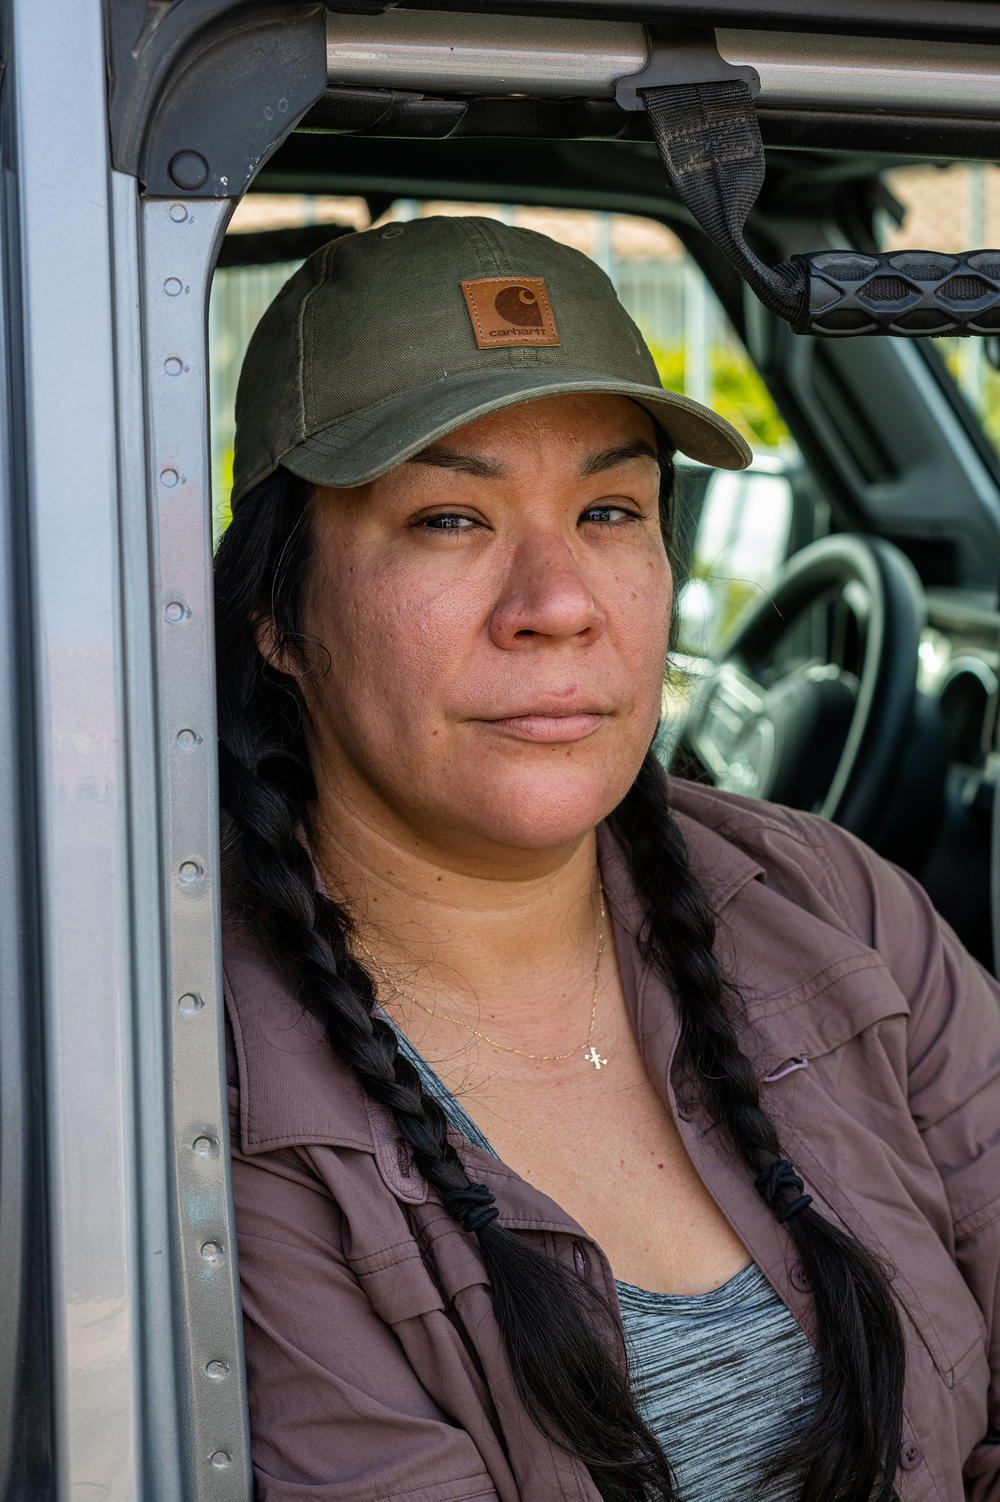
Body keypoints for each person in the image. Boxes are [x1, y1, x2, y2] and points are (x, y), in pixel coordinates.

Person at [213, 215, 999, 1502]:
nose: (559, 599)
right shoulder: (215, 1083)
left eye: (609, 508)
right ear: (278, 617)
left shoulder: (829, 897)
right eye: (450, 517)